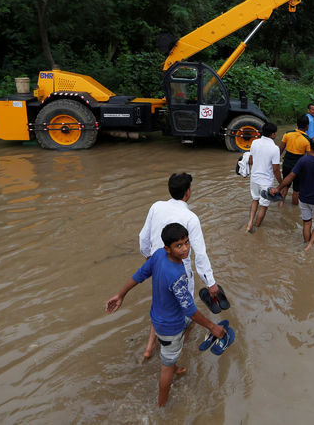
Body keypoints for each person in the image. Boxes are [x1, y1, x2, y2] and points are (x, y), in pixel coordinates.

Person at [106, 222, 226, 407]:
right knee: (166, 369)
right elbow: (189, 309)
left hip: (158, 317)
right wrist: (213, 327)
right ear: (168, 248)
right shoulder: (177, 275)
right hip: (171, 326)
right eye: (179, 245)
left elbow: (140, 274)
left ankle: (172, 360)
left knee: (183, 333)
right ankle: (161, 406)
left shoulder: (158, 255)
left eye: (186, 242)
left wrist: (120, 295)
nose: (185, 248)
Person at [139, 172, 219, 360]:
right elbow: (200, 254)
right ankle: (178, 345)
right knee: (186, 310)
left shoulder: (156, 206)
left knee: (159, 303)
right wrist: (211, 282)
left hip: (157, 264)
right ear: (188, 192)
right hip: (178, 271)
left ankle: (149, 348)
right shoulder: (190, 217)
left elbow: (143, 237)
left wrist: (148, 259)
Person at [271, 136, 314, 251]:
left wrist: (278, 188)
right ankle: (310, 245)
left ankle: (306, 242)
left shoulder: (303, 161)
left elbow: (290, 177)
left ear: (310, 146)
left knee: (307, 223)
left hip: (303, 198)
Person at [246, 122, 282, 232]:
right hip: (266, 181)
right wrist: (281, 183)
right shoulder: (275, 148)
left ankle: (250, 223)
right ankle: (256, 227)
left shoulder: (254, 142)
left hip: (254, 177)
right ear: (273, 134)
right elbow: (276, 169)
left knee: (255, 200)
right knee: (263, 206)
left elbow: (251, 161)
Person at [280, 114, 311, 205]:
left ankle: (280, 206)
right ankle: (294, 210)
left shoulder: (287, 134)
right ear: (307, 126)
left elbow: (281, 149)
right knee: (296, 189)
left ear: (297, 124)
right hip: (298, 167)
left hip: (286, 164)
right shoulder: (307, 140)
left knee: (285, 186)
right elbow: (309, 157)